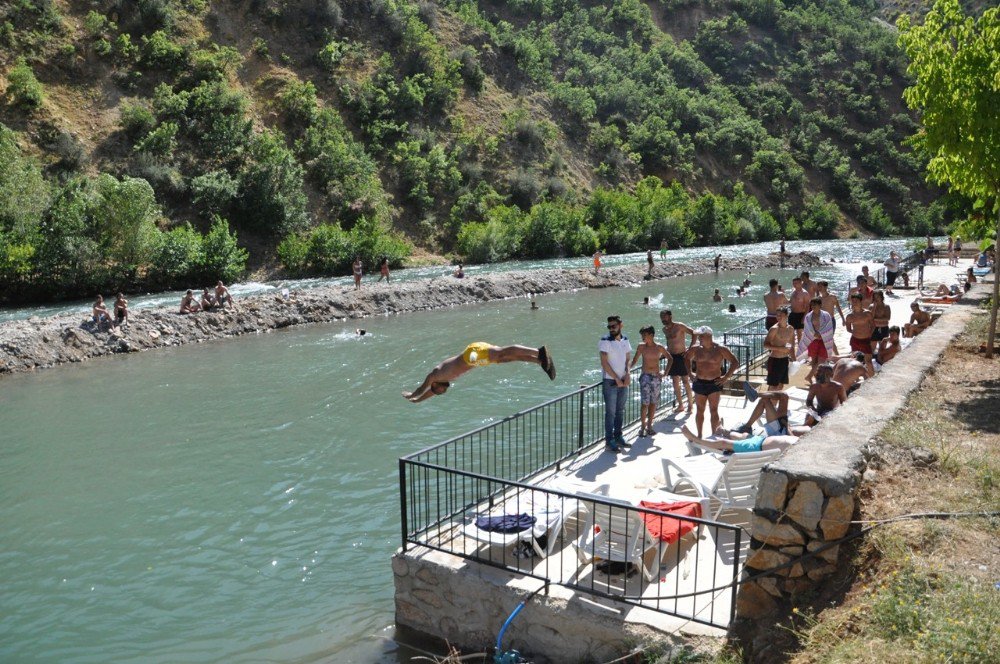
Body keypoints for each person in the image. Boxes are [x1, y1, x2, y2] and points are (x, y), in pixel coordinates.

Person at [403, 343, 556, 403]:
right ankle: (539, 361)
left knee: (502, 353)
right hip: (475, 361)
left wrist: (412, 394)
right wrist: (417, 401)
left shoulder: (435, 375)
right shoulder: (442, 381)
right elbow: (431, 393)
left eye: (440, 390)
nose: (444, 390)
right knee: (505, 359)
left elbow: (423, 388)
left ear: (435, 384)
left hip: (471, 355)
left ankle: (538, 351)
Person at [685, 326, 739, 439]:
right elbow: (686, 358)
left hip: (714, 383)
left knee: (713, 410)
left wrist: (726, 377)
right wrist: (690, 374)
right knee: (700, 410)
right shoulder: (696, 349)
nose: (699, 338)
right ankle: (699, 435)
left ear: (708, 336)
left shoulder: (720, 349)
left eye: (701, 336)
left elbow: (735, 362)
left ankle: (714, 436)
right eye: (699, 336)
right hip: (699, 382)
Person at [630, 326, 671, 437]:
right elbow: (634, 360)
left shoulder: (659, 347)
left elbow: (670, 358)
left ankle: (649, 426)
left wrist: (665, 373)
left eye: (645, 335)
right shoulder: (641, 347)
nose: (643, 337)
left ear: (651, 335)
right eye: (642, 335)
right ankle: (642, 427)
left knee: (653, 403)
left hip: (656, 377)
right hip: (645, 377)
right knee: (645, 403)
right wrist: (627, 370)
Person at [600, 315, 632, 452]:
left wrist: (628, 374)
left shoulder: (625, 340)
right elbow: (604, 363)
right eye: (609, 326)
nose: (611, 329)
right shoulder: (605, 341)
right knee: (611, 412)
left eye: (614, 326)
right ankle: (609, 441)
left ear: (620, 325)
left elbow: (628, 359)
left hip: (623, 380)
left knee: (620, 411)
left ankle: (618, 436)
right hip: (610, 381)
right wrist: (616, 378)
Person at [661, 309, 695, 414]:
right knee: (675, 382)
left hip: (682, 356)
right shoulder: (664, 330)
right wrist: (665, 354)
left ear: (670, 316)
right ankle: (681, 405)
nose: (662, 319)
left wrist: (690, 349)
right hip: (672, 357)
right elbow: (669, 343)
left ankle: (690, 405)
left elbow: (694, 333)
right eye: (661, 317)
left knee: (685, 381)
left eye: (664, 317)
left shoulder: (679, 326)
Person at [679, 424, 797, 454]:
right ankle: (723, 431)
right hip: (761, 440)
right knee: (742, 435)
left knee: (724, 443)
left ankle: (696, 439)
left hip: (755, 448)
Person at [798, 297, 835, 383]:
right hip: (812, 340)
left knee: (821, 361)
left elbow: (829, 327)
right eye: (812, 305)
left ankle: (808, 376)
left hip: (823, 340)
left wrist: (821, 334)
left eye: (815, 304)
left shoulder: (826, 315)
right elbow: (807, 329)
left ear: (820, 305)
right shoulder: (808, 316)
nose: (813, 306)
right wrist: (814, 334)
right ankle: (817, 379)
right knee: (814, 361)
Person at [762, 307, 794, 391]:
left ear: (787, 316)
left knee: (781, 386)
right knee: (773, 386)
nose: (778, 317)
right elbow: (765, 344)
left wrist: (794, 360)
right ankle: (766, 402)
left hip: (784, 360)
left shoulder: (790, 329)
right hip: (774, 360)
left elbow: (791, 345)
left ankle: (773, 403)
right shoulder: (774, 329)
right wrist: (779, 348)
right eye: (777, 315)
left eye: (781, 315)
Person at [845, 293, 875, 365]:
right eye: (853, 301)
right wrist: (856, 332)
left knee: (868, 361)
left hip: (866, 340)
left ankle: (870, 375)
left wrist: (869, 334)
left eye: (856, 301)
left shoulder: (867, 313)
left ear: (861, 301)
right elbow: (848, 329)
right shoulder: (849, 316)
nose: (854, 303)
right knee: (855, 362)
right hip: (855, 340)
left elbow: (873, 326)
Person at [788, 277, 810, 348]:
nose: (794, 285)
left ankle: (801, 349)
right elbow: (790, 302)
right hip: (792, 314)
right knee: (790, 332)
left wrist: (804, 317)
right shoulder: (793, 291)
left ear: (801, 283)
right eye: (793, 283)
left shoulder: (805, 293)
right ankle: (791, 348)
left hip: (800, 314)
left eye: (796, 283)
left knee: (799, 333)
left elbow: (807, 306)